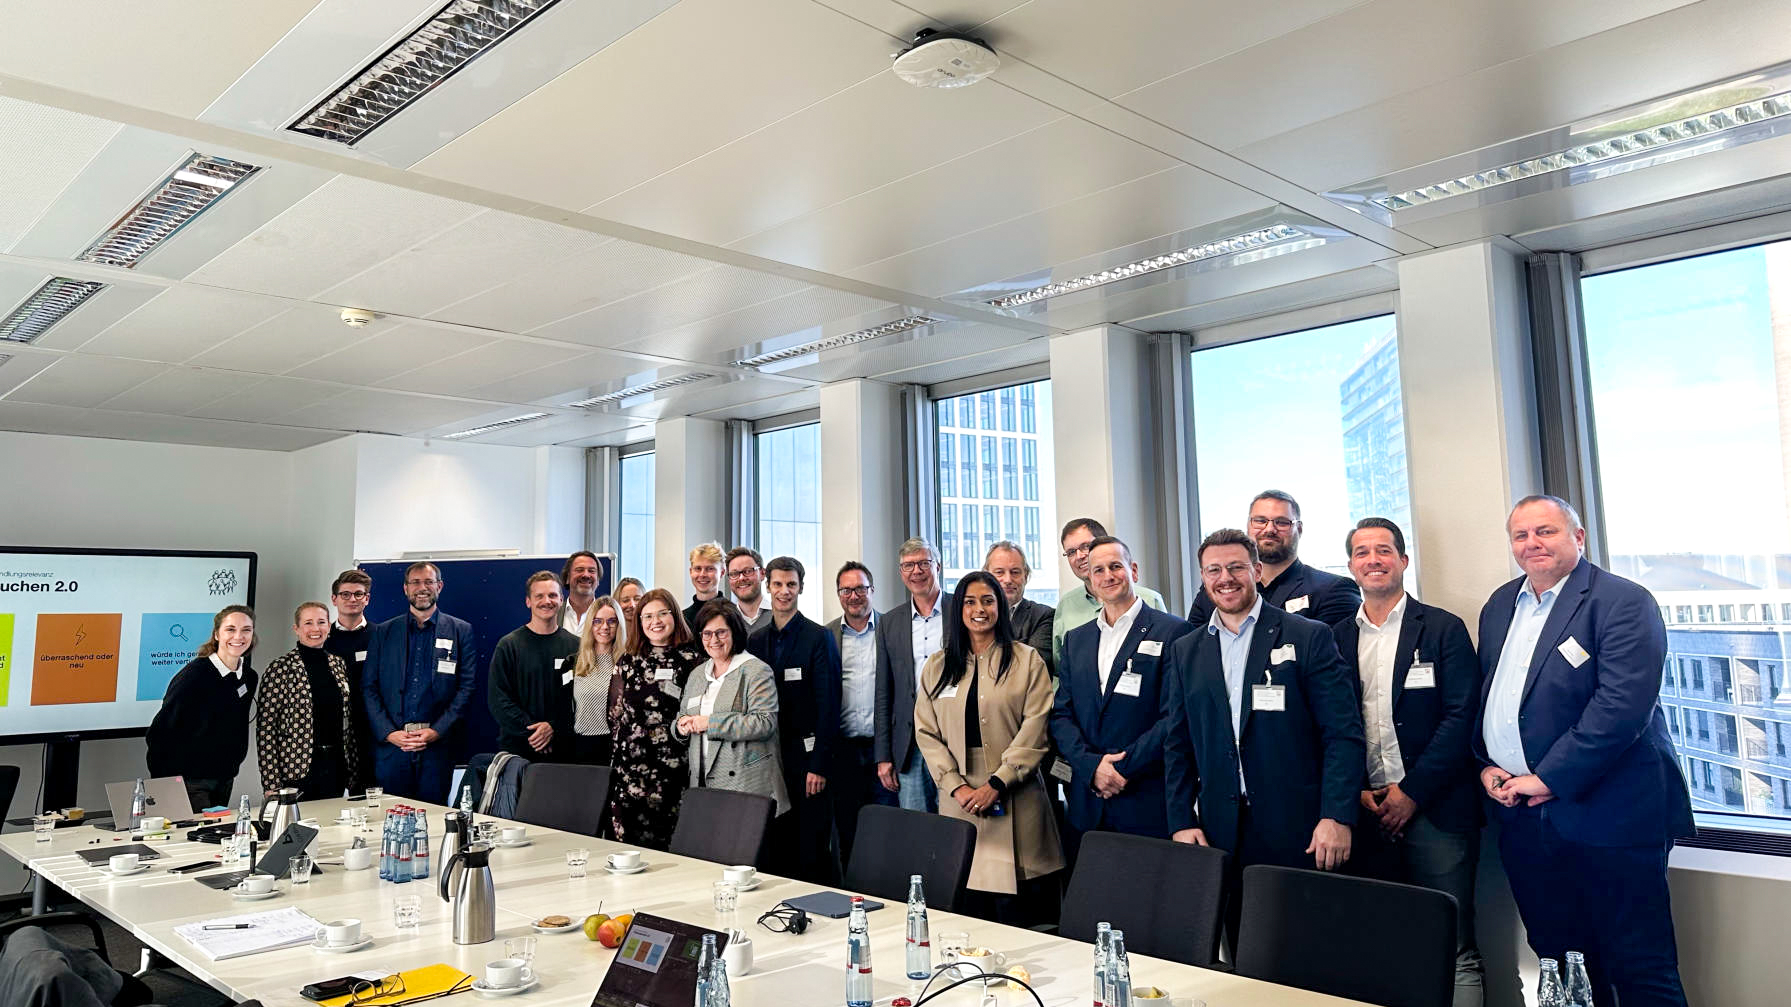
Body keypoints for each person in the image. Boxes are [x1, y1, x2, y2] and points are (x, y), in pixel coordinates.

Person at [1475, 495, 1693, 1007]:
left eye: (1545, 531)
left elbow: (1622, 707)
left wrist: (1547, 777)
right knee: (1560, 962)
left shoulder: (1622, 601)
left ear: (1578, 537)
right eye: (1521, 535)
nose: (1532, 543)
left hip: (1611, 816)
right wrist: (1486, 765)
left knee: (1639, 966)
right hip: (1524, 819)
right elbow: (1491, 696)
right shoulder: (1500, 605)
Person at [1163, 529, 1364, 939]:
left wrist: (1337, 816)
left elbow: (1343, 735)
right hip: (1221, 831)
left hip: (1301, 829)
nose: (1225, 578)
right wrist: (1181, 819)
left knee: (1307, 947)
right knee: (1242, 946)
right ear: (1203, 578)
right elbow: (1177, 744)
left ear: (1256, 570)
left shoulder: (1307, 636)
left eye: (1236, 567)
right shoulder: (1186, 650)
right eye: (1214, 570)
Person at [1332, 518, 1483, 1007]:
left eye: (1383, 550)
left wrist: (1411, 792)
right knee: (1382, 942)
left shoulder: (1442, 628)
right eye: (1362, 552)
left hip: (1436, 811)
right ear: (1351, 566)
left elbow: (1461, 718)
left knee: (1454, 946)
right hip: (1366, 811)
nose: (1373, 560)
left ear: (1402, 560)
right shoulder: (1334, 637)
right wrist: (1355, 788)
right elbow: (1332, 724)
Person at [913, 571, 1063, 925]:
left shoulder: (1027, 660)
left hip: (1016, 796)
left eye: (987, 601)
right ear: (958, 610)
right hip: (960, 800)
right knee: (966, 912)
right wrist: (956, 786)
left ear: (1000, 607)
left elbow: (1036, 727)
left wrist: (997, 783)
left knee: (1023, 918)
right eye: (970, 602)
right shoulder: (937, 666)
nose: (979, 609)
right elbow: (926, 732)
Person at [1050, 537, 1195, 858]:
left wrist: (1120, 768)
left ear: (1133, 571)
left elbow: (1174, 716)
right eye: (1098, 570)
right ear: (1090, 580)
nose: (1108, 576)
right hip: (1088, 802)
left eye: (1115, 566)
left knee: (1150, 887)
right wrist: (1091, 767)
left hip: (1145, 796)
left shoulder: (1174, 632)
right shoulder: (1076, 639)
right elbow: (1061, 715)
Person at [749, 557, 843, 883]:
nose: (784, 591)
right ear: (768, 587)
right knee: (776, 843)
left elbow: (829, 705)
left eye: (791, 584)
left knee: (810, 846)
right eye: (778, 584)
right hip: (767, 758)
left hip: (807, 761)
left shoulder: (819, 637)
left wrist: (819, 765)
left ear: (801, 587)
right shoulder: (755, 641)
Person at [363, 562, 477, 803]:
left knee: (433, 816)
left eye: (428, 582)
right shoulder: (383, 632)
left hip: (437, 748)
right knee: (391, 816)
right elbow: (369, 687)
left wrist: (437, 731)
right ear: (405, 588)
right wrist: (389, 733)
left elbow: (466, 688)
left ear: (439, 586)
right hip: (393, 748)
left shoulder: (460, 631)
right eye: (415, 582)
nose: (422, 588)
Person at [608, 588, 703, 847]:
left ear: (675, 616)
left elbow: (698, 714)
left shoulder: (693, 661)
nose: (655, 621)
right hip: (629, 772)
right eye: (648, 616)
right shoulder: (628, 660)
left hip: (673, 771)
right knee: (627, 846)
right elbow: (614, 715)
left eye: (662, 613)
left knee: (671, 845)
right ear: (639, 622)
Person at [1187, 490, 1361, 627]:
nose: (1270, 529)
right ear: (1248, 526)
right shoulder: (1218, 590)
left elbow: (1330, 655)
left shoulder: (1333, 590)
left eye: (1282, 522)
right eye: (1260, 521)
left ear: (1299, 529)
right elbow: (1192, 649)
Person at [677, 602, 789, 814]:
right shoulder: (697, 674)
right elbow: (683, 714)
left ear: (735, 633)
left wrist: (710, 723)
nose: (714, 640)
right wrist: (681, 726)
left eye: (721, 632)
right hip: (702, 783)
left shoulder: (756, 670)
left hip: (746, 784)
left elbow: (764, 723)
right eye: (707, 634)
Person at [146, 605, 259, 810]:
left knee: (216, 829)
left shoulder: (249, 677)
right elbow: (161, 732)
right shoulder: (195, 675)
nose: (238, 636)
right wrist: (166, 784)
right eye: (230, 629)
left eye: (246, 630)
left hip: (224, 776)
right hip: (191, 780)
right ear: (216, 634)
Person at [875, 538, 953, 813]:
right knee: (917, 825)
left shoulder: (961, 610)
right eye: (908, 565)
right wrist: (883, 755)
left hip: (954, 737)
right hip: (910, 744)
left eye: (923, 563)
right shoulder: (889, 622)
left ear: (938, 567)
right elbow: (883, 691)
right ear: (901, 572)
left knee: (957, 823)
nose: (916, 571)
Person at [256, 602, 358, 801]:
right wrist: (271, 783)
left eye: (321, 622)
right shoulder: (280, 668)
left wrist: (352, 769)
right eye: (308, 623)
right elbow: (266, 729)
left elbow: (348, 720)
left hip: (336, 766)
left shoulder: (338, 664)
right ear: (296, 629)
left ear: (329, 626)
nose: (315, 629)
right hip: (296, 770)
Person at [826, 561, 884, 862]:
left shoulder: (890, 629)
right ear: (838, 594)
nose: (853, 596)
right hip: (843, 750)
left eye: (860, 588)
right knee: (848, 829)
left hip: (883, 749)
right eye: (846, 590)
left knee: (887, 826)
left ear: (872, 590)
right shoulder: (826, 635)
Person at [1051, 517, 1167, 668]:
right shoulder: (1066, 605)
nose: (1079, 556)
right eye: (1071, 552)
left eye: (1086, 546)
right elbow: (1059, 669)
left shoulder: (1150, 599)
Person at [488, 572, 579, 760]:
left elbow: (581, 699)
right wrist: (535, 733)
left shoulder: (577, 646)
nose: (547, 601)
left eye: (552, 595)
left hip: (564, 751)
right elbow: (498, 699)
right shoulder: (509, 646)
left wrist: (553, 728)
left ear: (561, 600)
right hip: (518, 751)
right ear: (528, 601)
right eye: (539, 596)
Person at [322, 568, 374, 792]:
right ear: (334, 599)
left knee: (368, 798)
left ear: (367, 599)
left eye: (358, 594)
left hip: (370, 731)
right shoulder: (322, 638)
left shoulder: (382, 636)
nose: (352, 599)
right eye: (345, 594)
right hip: (331, 732)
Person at [569, 594, 625, 765]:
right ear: (590, 625)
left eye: (611, 621)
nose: (604, 627)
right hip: (579, 746)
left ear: (619, 625)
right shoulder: (574, 663)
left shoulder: (627, 664)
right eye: (598, 621)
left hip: (614, 746)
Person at [985, 541, 1055, 675]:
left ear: (1026, 576)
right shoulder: (973, 616)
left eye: (1015, 572)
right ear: (986, 577)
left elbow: (1035, 667)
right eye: (999, 572)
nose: (1008, 579)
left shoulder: (1042, 616)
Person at [726, 547, 773, 636]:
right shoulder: (725, 621)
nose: (741, 578)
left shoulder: (782, 618)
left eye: (748, 571)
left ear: (762, 573)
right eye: (734, 574)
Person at [683, 543, 726, 627]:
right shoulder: (682, 619)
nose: (702, 574)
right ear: (691, 572)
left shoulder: (733, 614)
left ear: (722, 573)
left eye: (710, 569)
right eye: (698, 568)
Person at [560, 551, 602, 637]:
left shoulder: (608, 616)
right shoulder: (554, 613)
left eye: (591, 571)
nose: (586, 575)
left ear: (598, 580)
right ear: (567, 578)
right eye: (579, 570)